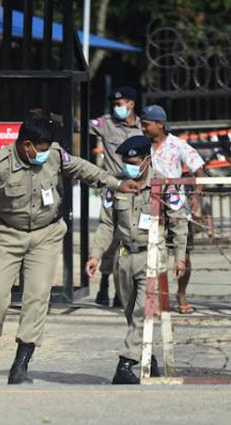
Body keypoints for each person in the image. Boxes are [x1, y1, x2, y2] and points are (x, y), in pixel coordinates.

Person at [0, 116, 139, 384]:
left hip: (45, 235)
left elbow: (85, 170)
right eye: (41, 147)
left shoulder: (56, 155)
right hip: (6, 234)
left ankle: (20, 365)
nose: (45, 152)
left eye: (48, 146)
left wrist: (117, 184)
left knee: (37, 297)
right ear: (26, 145)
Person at [86, 135, 188, 384]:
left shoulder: (164, 185)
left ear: (147, 160)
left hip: (152, 254)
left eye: (134, 161)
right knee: (133, 313)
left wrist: (180, 257)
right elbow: (107, 224)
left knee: (144, 311)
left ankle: (124, 365)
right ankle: (148, 358)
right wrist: (95, 254)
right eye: (126, 161)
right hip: (124, 256)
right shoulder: (117, 186)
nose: (130, 166)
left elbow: (178, 222)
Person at [141, 105, 205, 314]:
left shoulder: (178, 146)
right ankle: (159, 297)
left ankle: (181, 294)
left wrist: (196, 196)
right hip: (150, 208)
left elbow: (199, 170)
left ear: (160, 124)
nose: (143, 128)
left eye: (147, 124)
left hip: (177, 208)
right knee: (154, 253)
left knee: (183, 253)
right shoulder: (142, 146)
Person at [89, 86, 143, 307]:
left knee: (130, 237)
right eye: (114, 104)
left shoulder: (143, 127)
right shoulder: (106, 123)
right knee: (110, 236)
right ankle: (104, 283)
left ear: (131, 104)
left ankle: (123, 291)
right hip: (114, 186)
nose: (116, 108)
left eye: (120, 104)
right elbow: (82, 127)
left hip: (138, 189)